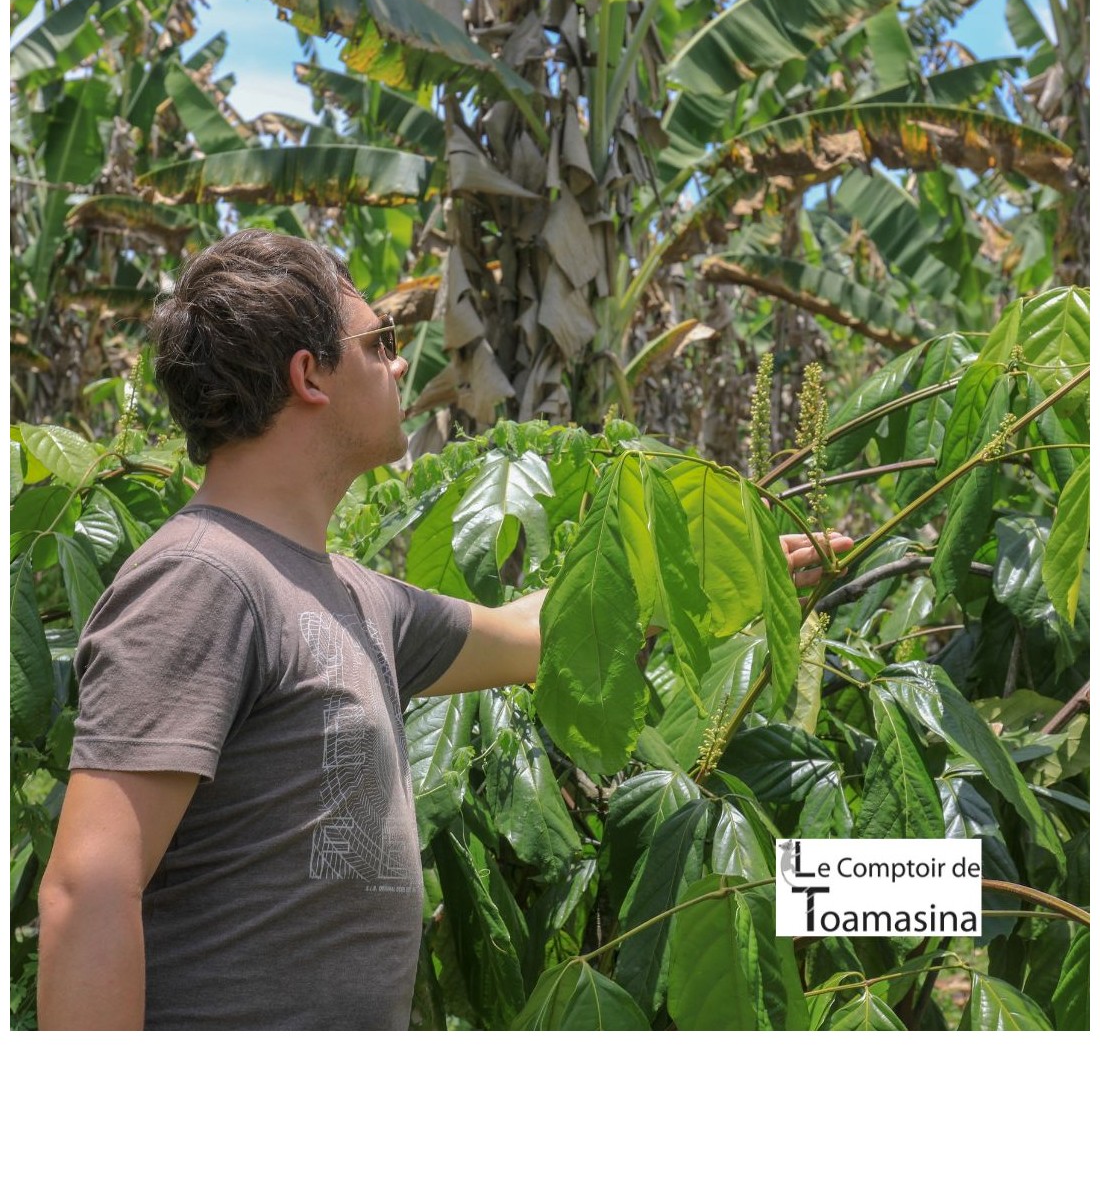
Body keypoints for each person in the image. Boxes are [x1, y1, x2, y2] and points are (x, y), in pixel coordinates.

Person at [36, 229, 850, 1031]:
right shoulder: (204, 579)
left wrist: (718, 572)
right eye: (380, 341)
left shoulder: (354, 595)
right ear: (308, 374)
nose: (399, 364)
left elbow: (533, 636)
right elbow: (91, 888)